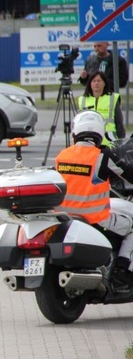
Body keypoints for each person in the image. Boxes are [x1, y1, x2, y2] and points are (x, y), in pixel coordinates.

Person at [55, 111, 133, 287]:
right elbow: (128, 174)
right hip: (96, 218)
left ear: (75, 133)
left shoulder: (62, 155)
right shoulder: (101, 156)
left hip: (65, 217)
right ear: (99, 133)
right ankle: (123, 270)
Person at [77, 70, 126, 146]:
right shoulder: (82, 100)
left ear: (104, 83)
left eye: (99, 81)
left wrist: (120, 142)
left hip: (109, 143)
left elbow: (119, 123)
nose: (96, 83)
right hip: (87, 143)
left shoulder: (112, 98)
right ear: (90, 84)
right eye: (94, 81)